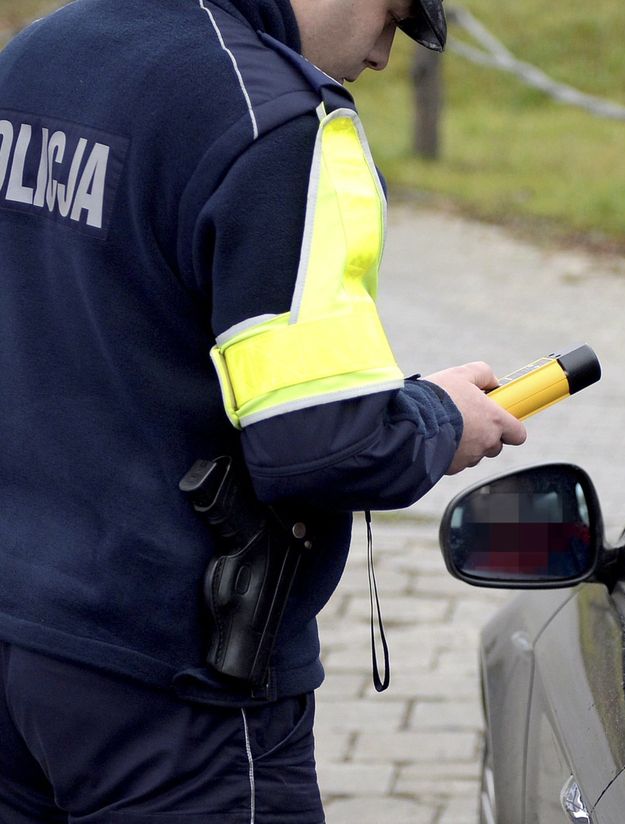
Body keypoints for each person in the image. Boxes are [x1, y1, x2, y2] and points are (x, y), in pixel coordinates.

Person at [0, 0, 525, 819]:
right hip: (172, 687)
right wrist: (438, 418)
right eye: (399, 14)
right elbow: (318, 443)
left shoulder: (37, 54)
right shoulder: (277, 124)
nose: (388, 53)